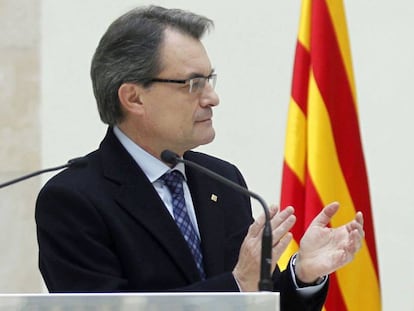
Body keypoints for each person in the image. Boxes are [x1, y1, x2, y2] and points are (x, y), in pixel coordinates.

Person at [35, 6, 364, 311]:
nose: (213, 98)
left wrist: (302, 274)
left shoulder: (222, 179)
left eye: (209, 80)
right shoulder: (72, 199)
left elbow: (257, 299)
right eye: (193, 84)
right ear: (133, 97)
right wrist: (235, 285)